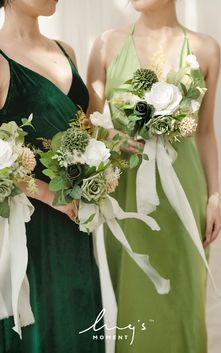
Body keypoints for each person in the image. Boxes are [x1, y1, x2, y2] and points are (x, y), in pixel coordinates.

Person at [87, 0, 221, 352]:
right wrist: (113, 135)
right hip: (126, 193)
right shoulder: (106, 44)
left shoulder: (206, 48)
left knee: (184, 297)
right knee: (132, 294)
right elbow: (90, 120)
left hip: (184, 190)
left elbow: (206, 131)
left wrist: (214, 197)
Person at [0, 1, 104, 352]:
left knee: (79, 315)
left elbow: (82, 127)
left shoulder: (65, 50)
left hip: (75, 218)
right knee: (44, 324)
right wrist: (48, 195)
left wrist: (107, 146)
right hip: (30, 224)